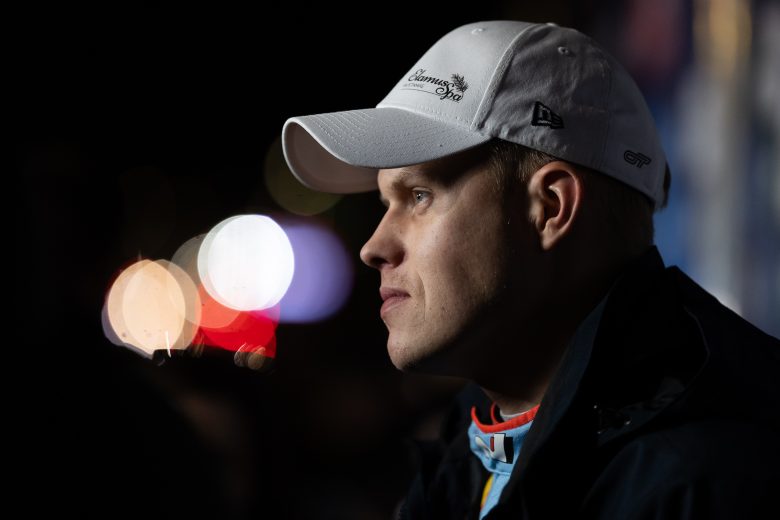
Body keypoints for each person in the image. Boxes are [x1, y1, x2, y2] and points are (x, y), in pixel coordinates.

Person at [281, 20, 780, 519]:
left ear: (550, 207)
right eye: (385, 204)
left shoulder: (707, 483)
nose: (373, 248)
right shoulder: (463, 461)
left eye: (419, 196)